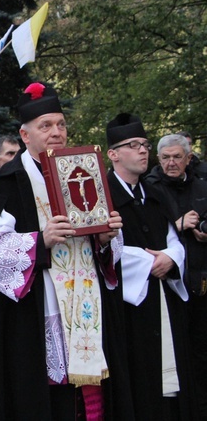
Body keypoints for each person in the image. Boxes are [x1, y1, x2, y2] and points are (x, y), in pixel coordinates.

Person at [0, 82, 132, 420]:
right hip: (36, 313)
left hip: (86, 307)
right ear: (25, 136)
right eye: (46, 126)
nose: (56, 132)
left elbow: (101, 249)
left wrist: (104, 238)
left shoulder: (83, 171)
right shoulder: (5, 183)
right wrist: (40, 240)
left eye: (61, 124)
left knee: (87, 402)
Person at [106, 114, 195, 420]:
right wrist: (149, 262)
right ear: (113, 154)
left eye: (144, 144)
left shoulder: (155, 194)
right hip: (125, 307)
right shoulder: (101, 195)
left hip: (163, 300)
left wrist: (171, 259)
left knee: (167, 383)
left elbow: (175, 240)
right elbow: (102, 249)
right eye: (134, 145)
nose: (143, 150)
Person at [146, 133, 207, 417]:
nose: (171, 163)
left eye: (177, 157)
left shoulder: (201, 183)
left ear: (188, 159)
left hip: (201, 279)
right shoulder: (148, 188)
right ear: (158, 159)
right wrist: (178, 224)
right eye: (166, 157)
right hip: (169, 284)